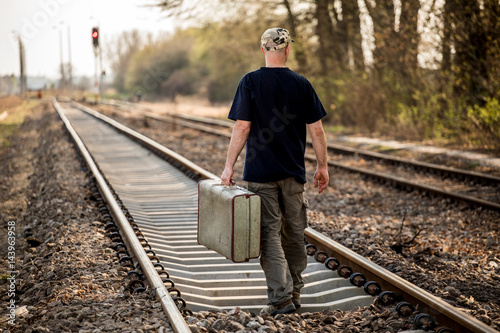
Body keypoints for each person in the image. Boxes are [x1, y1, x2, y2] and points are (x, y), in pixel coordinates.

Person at [221, 27, 329, 316]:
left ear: (263, 50)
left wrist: (229, 166)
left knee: (270, 234)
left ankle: (280, 299)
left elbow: (242, 126)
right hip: (293, 174)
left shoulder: (250, 82)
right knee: (294, 233)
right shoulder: (301, 83)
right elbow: (316, 129)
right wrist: (323, 166)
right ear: (287, 50)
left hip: (260, 174)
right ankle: (293, 293)